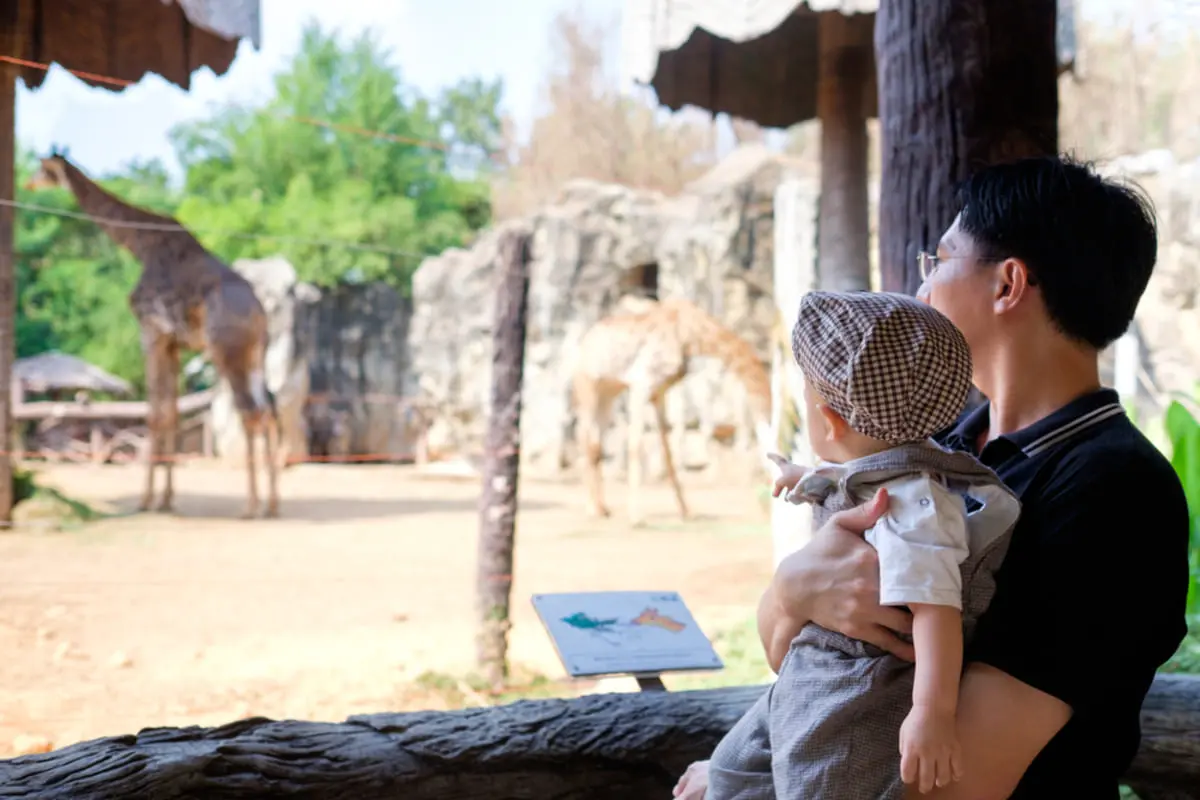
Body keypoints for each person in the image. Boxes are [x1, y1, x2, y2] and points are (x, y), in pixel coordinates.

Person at [674, 154, 1191, 800]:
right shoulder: (936, 447)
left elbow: (949, 783)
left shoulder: (1117, 496)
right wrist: (792, 591)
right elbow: (798, 655)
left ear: (1007, 284)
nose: (921, 291)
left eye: (938, 262)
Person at [703, 290, 1022, 800]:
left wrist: (931, 714)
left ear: (829, 419)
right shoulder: (889, 468)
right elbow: (851, 478)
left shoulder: (917, 507)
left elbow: (935, 610)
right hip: (813, 670)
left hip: (856, 693)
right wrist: (802, 476)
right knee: (730, 772)